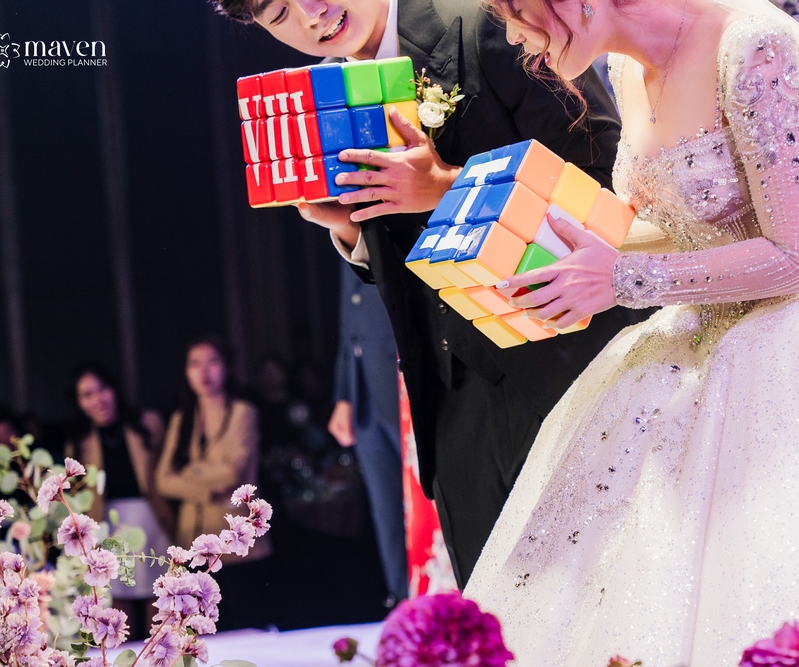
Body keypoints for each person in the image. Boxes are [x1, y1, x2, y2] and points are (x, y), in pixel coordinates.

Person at [463, 0, 799, 664]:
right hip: (696, 340)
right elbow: (688, 221)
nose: (518, 39)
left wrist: (623, 280)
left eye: (518, 11)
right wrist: (569, 251)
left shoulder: (751, 48)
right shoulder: (624, 69)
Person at [209, 0, 646, 588]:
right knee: (499, 618)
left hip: (571, 367)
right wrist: (350, 230)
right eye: (280, 13)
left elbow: (608, 173)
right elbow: (407, 261)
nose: (312, 14)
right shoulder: (330, 96)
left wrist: (448, 188)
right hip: (452, 405)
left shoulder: (492, 16)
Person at [156, 336, 269, 628]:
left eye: (212, 361)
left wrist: (187, 473)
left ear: (227, 367)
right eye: (195, 364)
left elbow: (232, 475)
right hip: (192, 543)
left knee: (247, 627)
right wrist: (206, 488)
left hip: (236, 543)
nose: (204, 371)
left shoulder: (243, 412)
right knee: (202, 634)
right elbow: (163, 480)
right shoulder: (182, 419)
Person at [67, 364, 174, 640]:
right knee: (117, 605)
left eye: (102, 389)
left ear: (114, 389)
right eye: (87, 394)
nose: (98, 399)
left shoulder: (147, 423)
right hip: (109, 525)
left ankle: (158, 654)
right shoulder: (80, 442)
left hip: (151, 518)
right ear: (79, 402)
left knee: (159, 599)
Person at [330, 261, 408, 604]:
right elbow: (349, 315)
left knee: (423, 498)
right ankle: (401, 598)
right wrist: (344, 394)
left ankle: (441, 598)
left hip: (400, 377)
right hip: (362, 387)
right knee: (385, 509)